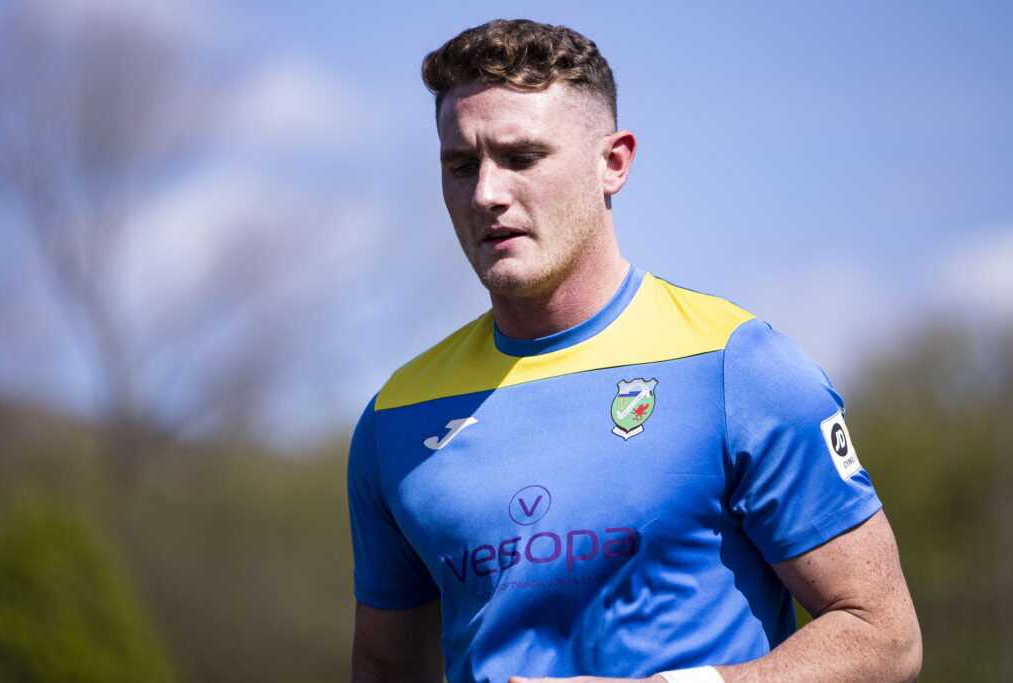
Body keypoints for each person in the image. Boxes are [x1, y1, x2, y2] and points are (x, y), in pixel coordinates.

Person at [347, 18, 921, 683]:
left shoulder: (739, 367)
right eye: (460, 164)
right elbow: (386, 667)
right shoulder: (397, 416)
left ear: (612, 163)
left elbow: (883, 636)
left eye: (522, 157)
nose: (486, 194)